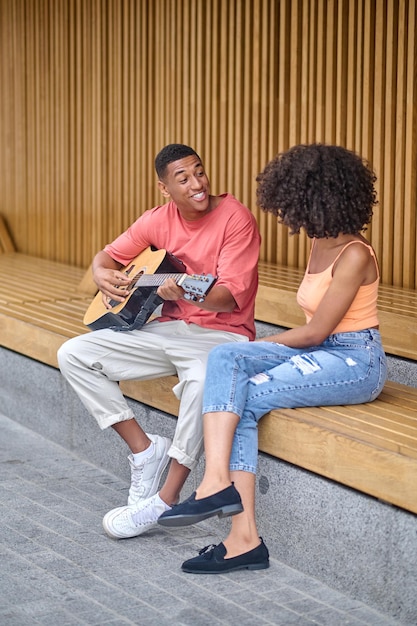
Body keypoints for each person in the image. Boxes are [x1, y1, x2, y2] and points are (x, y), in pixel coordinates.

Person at [158, 143, 387, 574]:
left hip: (356, 362)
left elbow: (319, 331)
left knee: (235, 361)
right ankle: (240, 532)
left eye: (295, 199)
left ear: (317, 198)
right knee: (235, 379)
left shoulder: (355, 253)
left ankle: (219, 492)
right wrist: (252, 351)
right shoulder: (320, 241)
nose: (288, 213)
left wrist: (259, 346)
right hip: (321, 355)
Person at [58, 143, 260, 539]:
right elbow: (107, 256)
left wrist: (186, 291)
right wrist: (101, 273)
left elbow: (230, 296)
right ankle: (144, 450)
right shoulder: (157, 220)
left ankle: (165, 498)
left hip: (223, 335)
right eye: (183, 178)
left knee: (205, 383)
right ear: (164, 188)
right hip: (168, 330)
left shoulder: (235, 218)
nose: (197, 184)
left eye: (199, 172)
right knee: (74, 353)